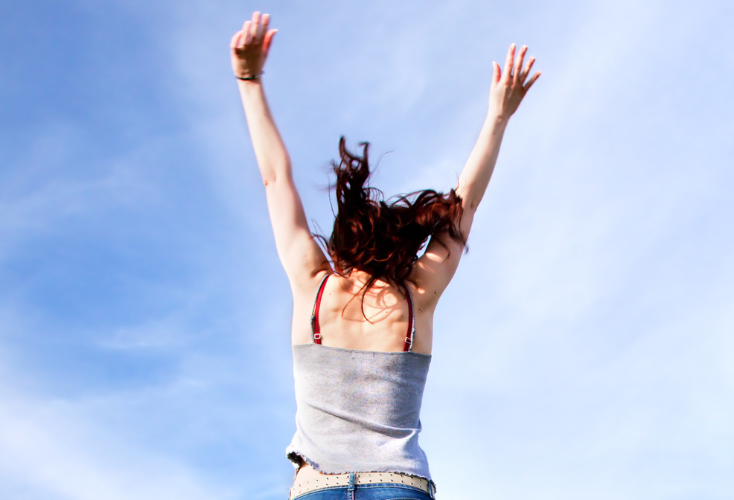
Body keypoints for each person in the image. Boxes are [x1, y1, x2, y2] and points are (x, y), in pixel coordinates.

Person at [229, 11, 541, 500]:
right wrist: (498, 116)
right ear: (401, 244)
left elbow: (275, 178)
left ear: (336, 245)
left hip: (319, 488)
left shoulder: (314, 288)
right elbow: (466, 203)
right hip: (400, 485)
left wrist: (249, 80)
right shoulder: (415, 297)